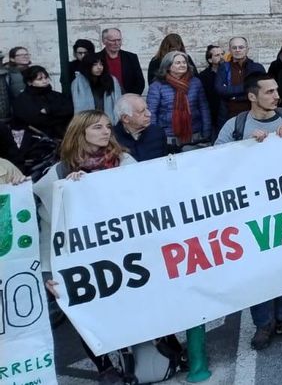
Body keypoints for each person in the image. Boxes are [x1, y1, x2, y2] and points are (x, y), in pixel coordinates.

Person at [34, 110, 136, 384]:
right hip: (80, 260)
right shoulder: (57, 174)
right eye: (97, 127)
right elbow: (47, 228)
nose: (106, 131)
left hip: (122, 253)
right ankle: (105, 368)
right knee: (87, 314)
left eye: (107, 126)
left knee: (133, 304)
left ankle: (148, 353)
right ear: (80, 133)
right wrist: (47, 272)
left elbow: (142, 197)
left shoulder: (124, 162)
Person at [214, 73, 282, 349]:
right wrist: (243, 146)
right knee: (259, 269)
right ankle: (263, 324)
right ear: (252, 96)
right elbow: (214, 160)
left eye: (277, 90)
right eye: (269, 92)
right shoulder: (236, 125)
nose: (276, 96)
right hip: (252, 211)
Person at [146, 50, 212, 150]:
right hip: (168, 136)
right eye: (178, 63)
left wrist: (206, 131)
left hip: (194, 134)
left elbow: (204, 108)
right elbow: (152, 113)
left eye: (184, 62)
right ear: (168, 66)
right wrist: (156, 136)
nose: (182, 65)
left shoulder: (195, 82)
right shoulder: (157, 86)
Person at [12, 66, 73, 138]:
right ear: (29, 82)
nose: (44, 81)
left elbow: (70, 109)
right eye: (39, 79)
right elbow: (35, 119)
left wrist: (49, 110)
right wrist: (59, 116)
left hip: (62, 134)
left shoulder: (56, 95)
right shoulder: (23, 99)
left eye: (46, 77)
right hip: (35, 138)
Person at [215, 36, 265, 125]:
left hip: (253, 116)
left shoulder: (257, 68)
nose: (237, 50)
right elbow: (220, 90)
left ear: (247, 49)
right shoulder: (223, 68)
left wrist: (233, 96)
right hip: (229, 117)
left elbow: (259, 90)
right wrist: (247, 87)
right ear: (230, 50)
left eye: (241, 47)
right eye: (234, 47)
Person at [112, 94, 168, 161]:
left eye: (147, 109)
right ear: (125, 118)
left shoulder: (157, 132)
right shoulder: (112, 139)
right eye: (142, 111)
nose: (149, 114)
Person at [71, 52, 123, 121]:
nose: (99, 67)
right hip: (88, 122)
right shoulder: (78, 83)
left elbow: (119, 102)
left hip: (109, 120)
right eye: (95, 64)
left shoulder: (111, 80)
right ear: (87, 66)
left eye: (101, 64)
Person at [101, 27, 146, 95]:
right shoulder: (96, 58)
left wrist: (131, 98)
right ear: (104, 41)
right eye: (113, 40)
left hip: (128, 100)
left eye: (119, 40)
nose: (117, 43)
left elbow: (140, 82)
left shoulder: (131, 57)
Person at [198, 44, 224, 133]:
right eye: (217, 55)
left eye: (222, 54)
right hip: (213, 115)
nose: (221, 57)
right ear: (210, 59)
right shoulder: (204, 76)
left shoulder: (230, 71)